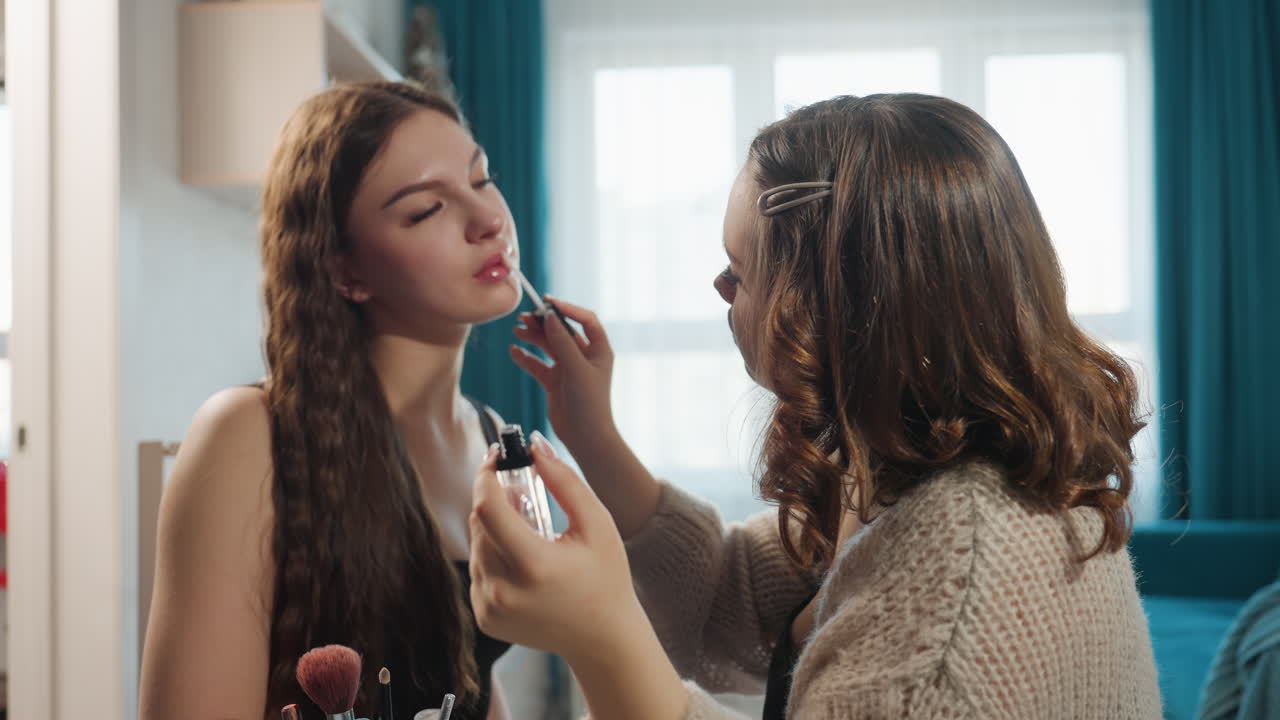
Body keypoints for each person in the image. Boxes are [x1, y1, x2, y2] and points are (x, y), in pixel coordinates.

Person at [467, 93, 1163, 719]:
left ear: (835, 304)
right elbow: (728, 594)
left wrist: (599, 634)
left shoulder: (944, 638)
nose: (719, 289)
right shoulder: (926, 464)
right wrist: (594, 436)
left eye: (739, 272)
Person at [140, 81, 523, 720]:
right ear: (345, 270)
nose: (489, 220)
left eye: (482, 180)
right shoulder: (248, 438)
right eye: (426, 210)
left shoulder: (487, 436)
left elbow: (468, 683)